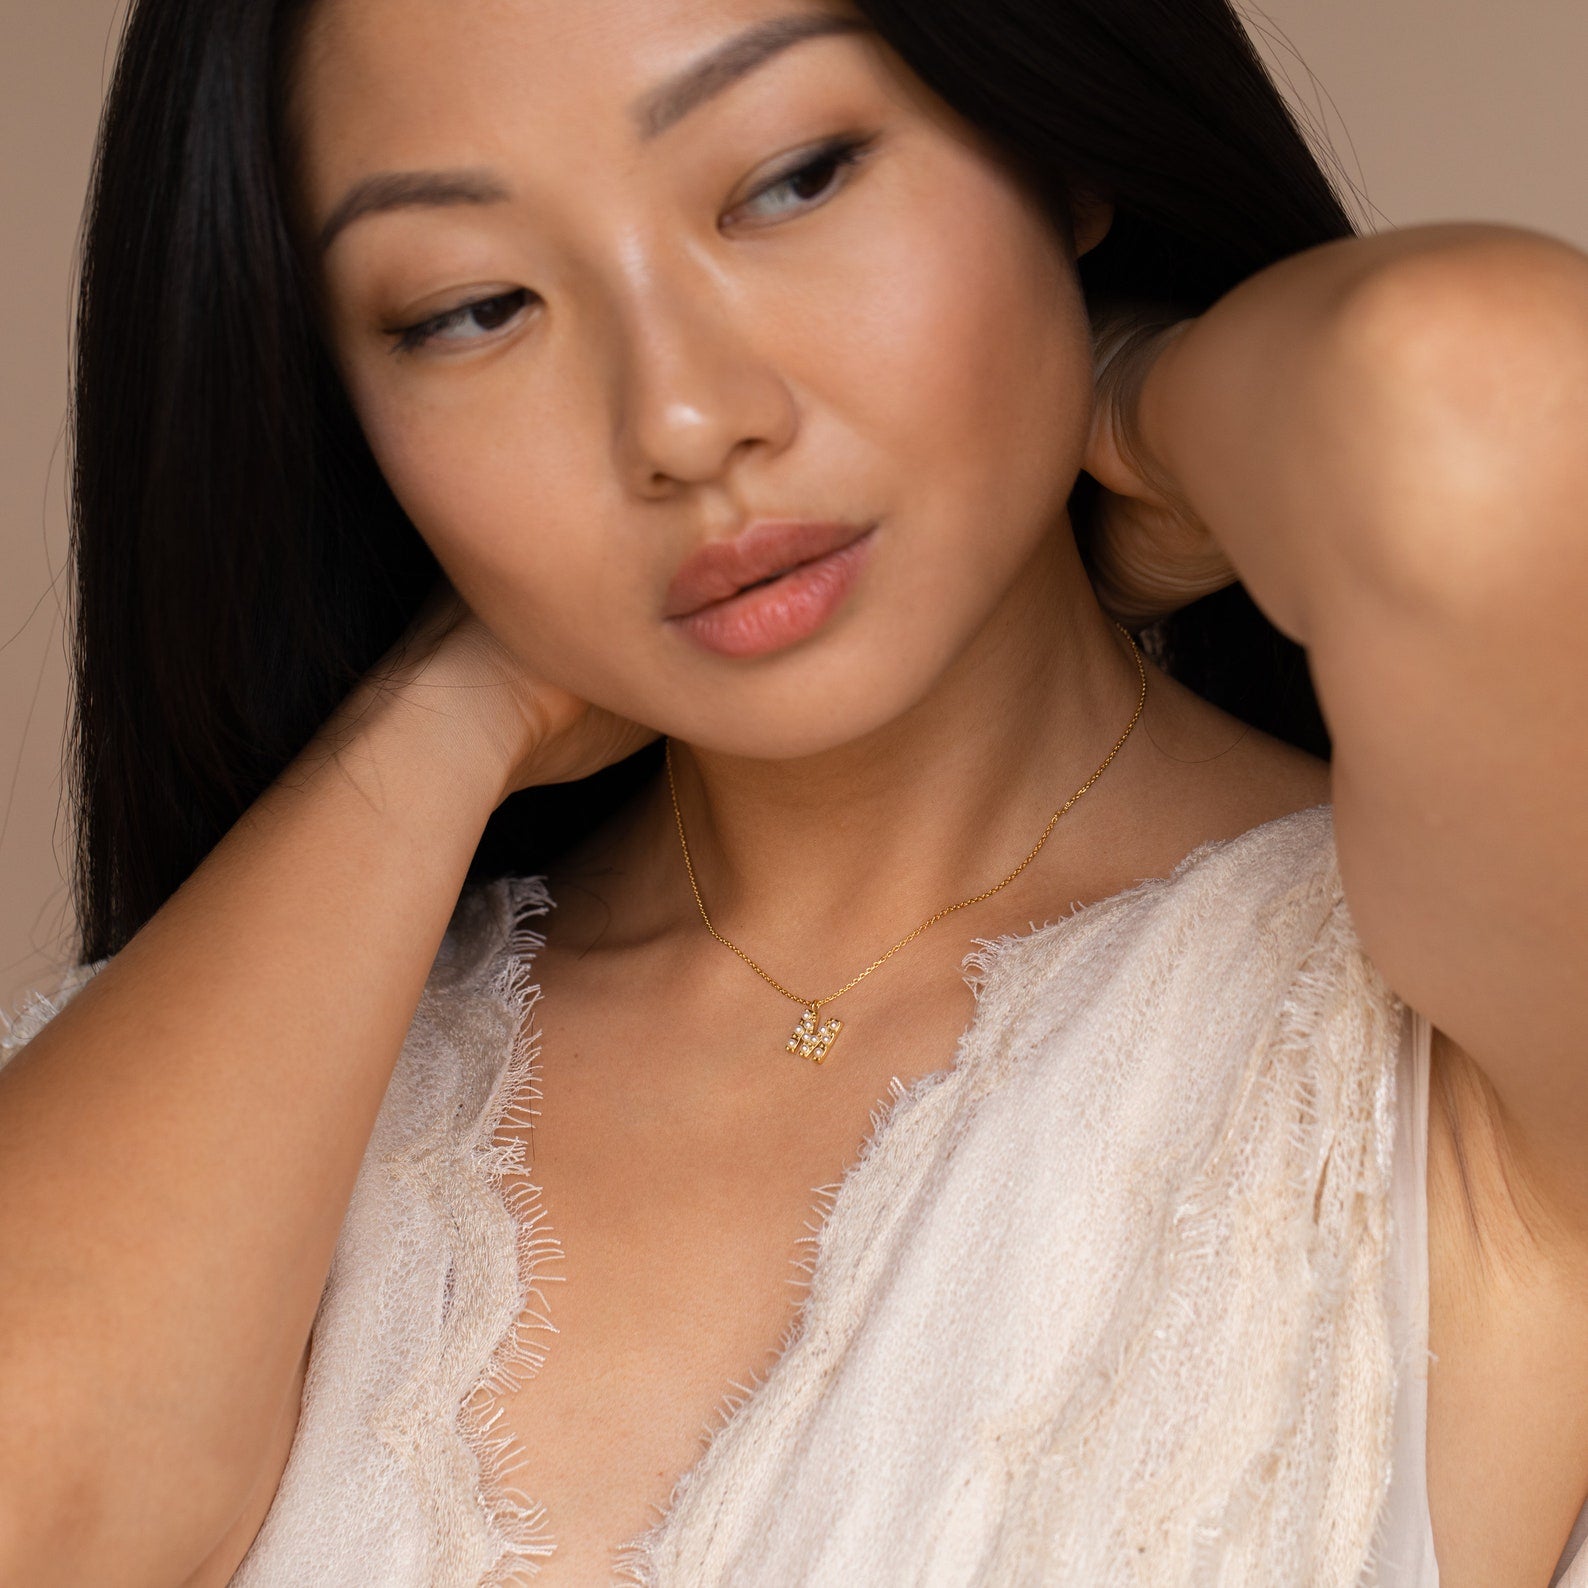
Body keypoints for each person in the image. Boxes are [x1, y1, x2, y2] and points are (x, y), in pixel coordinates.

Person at [1, 0, 1584, 1582]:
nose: (685, 421)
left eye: (795, 179)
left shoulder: (1467, 1053)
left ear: (1057, 134)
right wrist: (448, 713)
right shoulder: (243, 1094)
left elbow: (1477, 404)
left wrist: (1130, 388)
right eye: (475, 310)